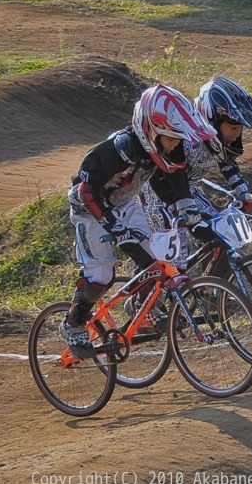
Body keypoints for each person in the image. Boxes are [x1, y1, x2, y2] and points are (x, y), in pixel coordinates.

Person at [59, 84, 216, 357]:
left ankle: (143, 312)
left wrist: (187, 210)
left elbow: (177, 179)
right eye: (171, 139)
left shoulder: (166, 147)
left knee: (153, 260)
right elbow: (86, 191)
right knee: (101, 275)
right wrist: (114, 227)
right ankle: (73, 322)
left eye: (179, 139)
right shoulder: (117, 150)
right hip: (90, 208)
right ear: (151, 131)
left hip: (125, 204)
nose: (175, 145)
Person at [141, 77, 252, 271]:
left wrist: (242, 191)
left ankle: (215, 293)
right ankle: (152, 298)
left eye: (240, 129)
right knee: (177, 260)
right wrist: (183, 207)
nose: (237, 135)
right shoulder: (185, 137)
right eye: (233, 128)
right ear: (211, 121)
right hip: (159, 196)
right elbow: (173, 172)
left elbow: (227, 164)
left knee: (221, 238)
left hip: (189, 193)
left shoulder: (216, 141)